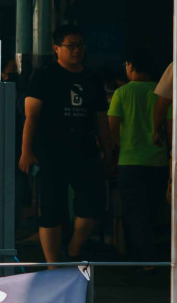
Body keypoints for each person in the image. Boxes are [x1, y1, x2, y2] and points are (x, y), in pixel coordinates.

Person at [20, 24, 111, 263]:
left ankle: (73, 250)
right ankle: (52, 264)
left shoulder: (92, 78)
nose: (77, 50)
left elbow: (101, 118)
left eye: (80, 45)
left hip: (85, 150)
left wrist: (108, 151)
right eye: (71, 46)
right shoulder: (44, 76)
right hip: (50, 152)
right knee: (51, 207)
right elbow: (31, 116)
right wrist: (26, 151)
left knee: (92, 204)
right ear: (56, 48)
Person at [108, 50, 169, 268]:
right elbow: (170, 125)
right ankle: (144, 256)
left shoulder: (122, 93)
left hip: (130, 162)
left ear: (130, 66)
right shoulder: (162, 93)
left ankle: (147, 260)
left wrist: (114, 151)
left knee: (135, 212)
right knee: (151, 212)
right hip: (159, 162)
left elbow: (112, 128)